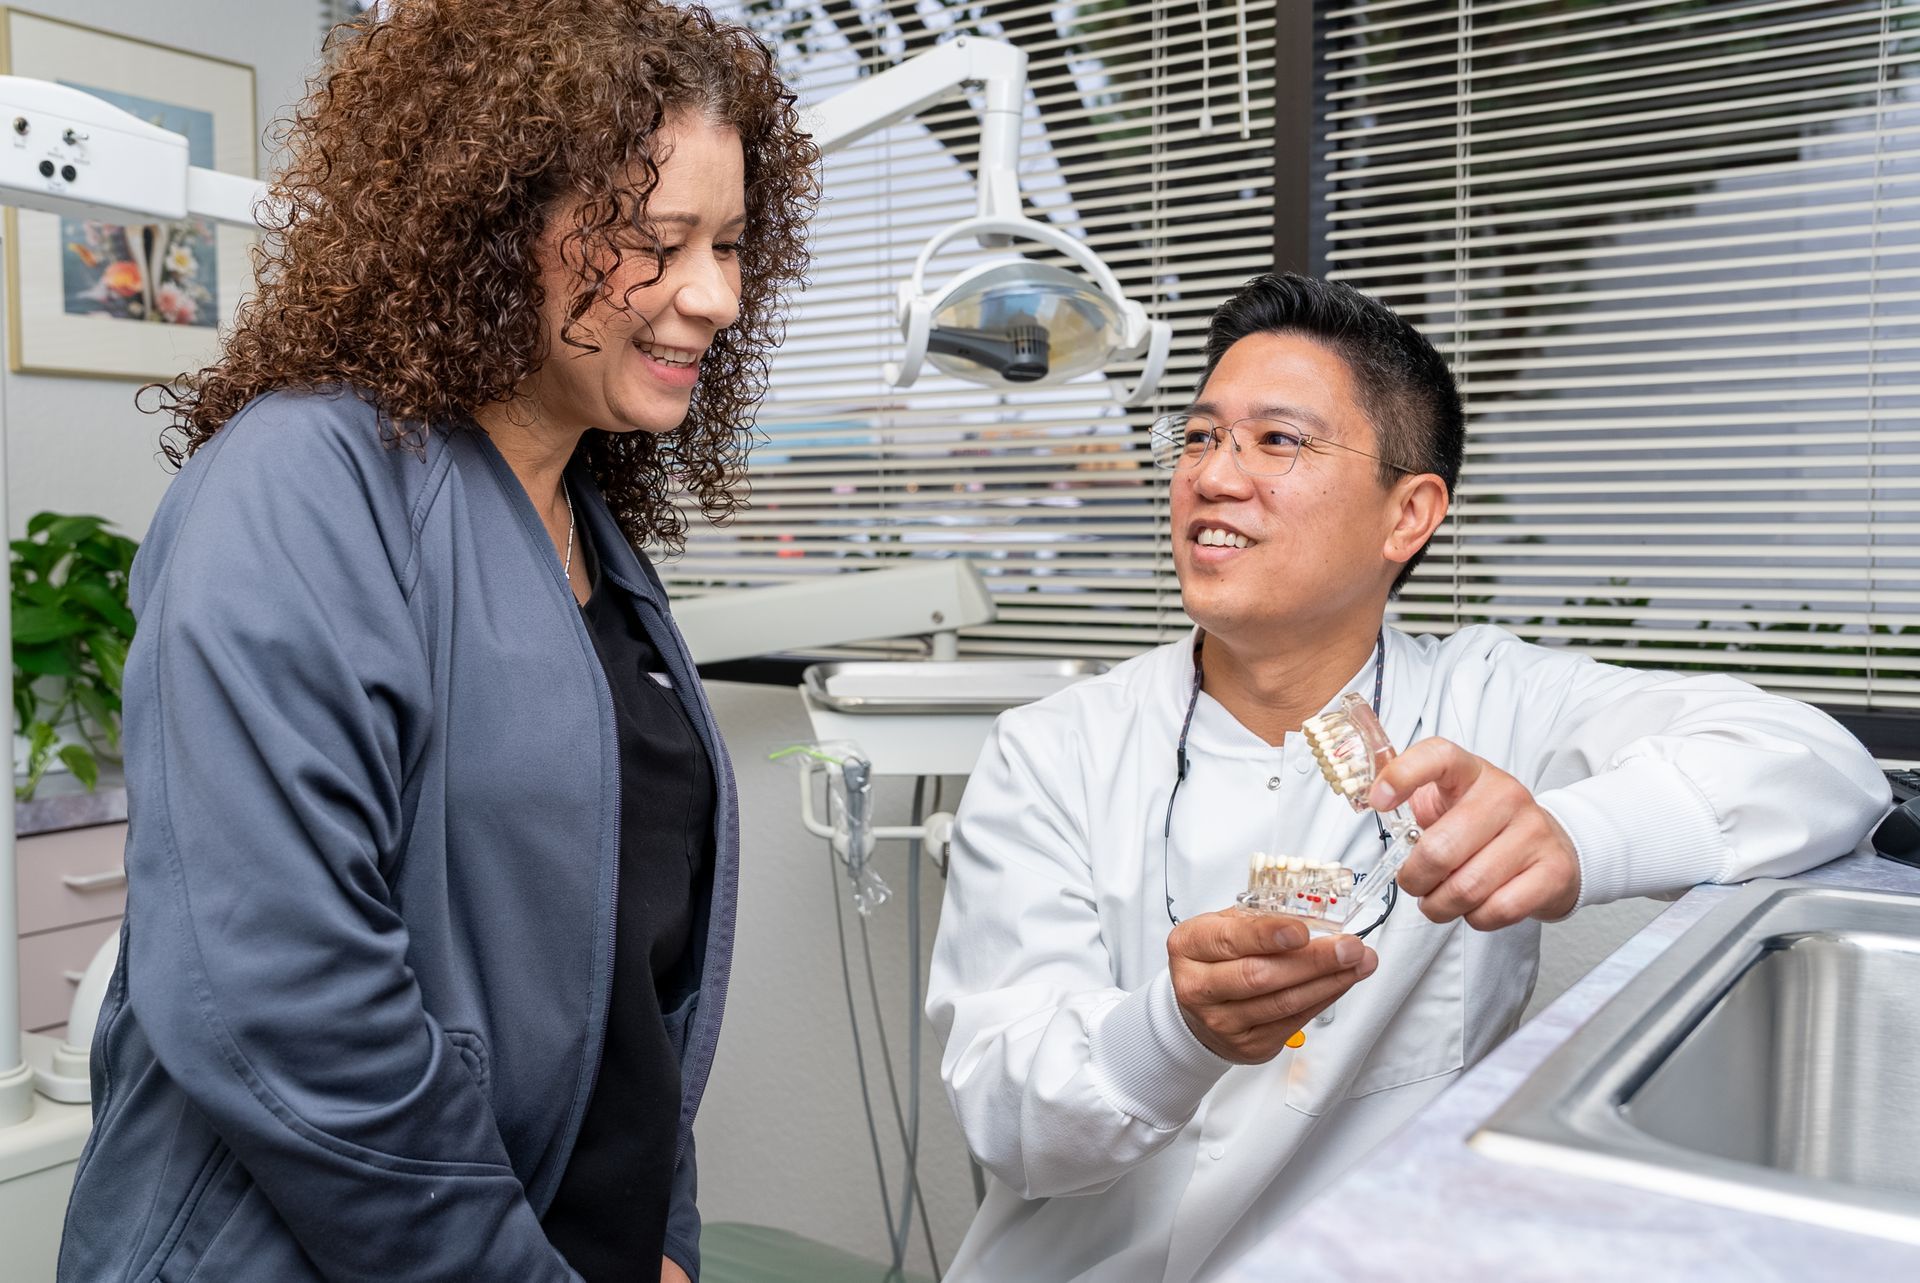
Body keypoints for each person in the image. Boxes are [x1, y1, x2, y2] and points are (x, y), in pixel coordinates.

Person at [925, 273, 1890, 1282]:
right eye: (1202, 435)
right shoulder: (1052, 747)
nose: (1213, 475)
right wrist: (1177, 1027)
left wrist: (1573, 837)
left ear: (1408, 514)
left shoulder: (1489, 701)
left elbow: (1818, 764)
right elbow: (1007, 1116)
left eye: (1277, 440)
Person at [57, 3, 817, 1280]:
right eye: (657, 239)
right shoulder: (301, 482)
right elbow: (280, 1002)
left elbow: (620, 992)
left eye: (734, 245)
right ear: (493, 222)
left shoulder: (588, 536)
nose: (716, 295)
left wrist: (650, 1240)